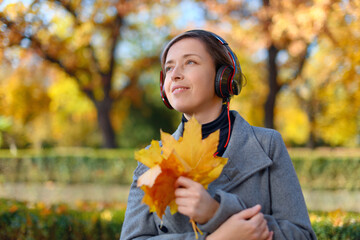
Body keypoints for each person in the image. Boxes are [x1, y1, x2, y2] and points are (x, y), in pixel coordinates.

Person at [120, 29, 317, 240]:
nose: (175, 73)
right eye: (169, 68)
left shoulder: (267, 144)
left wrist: (215, 212)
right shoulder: (152, 159)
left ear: (223, 76)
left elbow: (301, 235)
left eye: (190, 62)